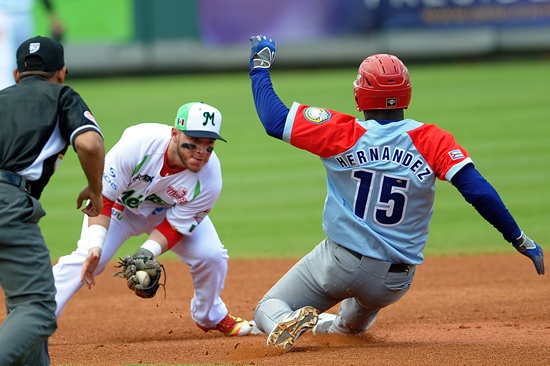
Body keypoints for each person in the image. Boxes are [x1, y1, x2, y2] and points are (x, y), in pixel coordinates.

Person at [247, 35, 545, 351]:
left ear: (359, 95)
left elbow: (273, 120)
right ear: (407, 94)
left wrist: (260, 65)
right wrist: (517, 237)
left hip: (340, 264)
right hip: (393, 282)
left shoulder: (342, 132)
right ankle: (340, 326)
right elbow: (478, 191)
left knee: (270, 303)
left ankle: (284, 321)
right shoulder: (432, 139)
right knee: (351, 323)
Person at [52, 102, 255, 337]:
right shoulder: (139, 143)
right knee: (87, 259)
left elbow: (176, 226)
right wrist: (96, 245)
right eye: (194, 141)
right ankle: (37, 317)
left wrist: (145, 253)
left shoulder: (210, 178)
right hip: (120, 209)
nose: (201, 151)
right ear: (175, 134)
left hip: (167, 214)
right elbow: (103, 199)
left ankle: (210, 316)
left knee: (212, 255)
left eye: (209, 144)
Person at [0, 35, 104, 365]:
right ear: (62, 72)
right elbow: (89, 144)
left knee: (21, 304)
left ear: (17, 75)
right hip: (8, 202)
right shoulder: (62, 96)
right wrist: (95, 189)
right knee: (39, 309)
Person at [0, 0, 64, 90]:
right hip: (4, 15)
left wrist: (53, 16)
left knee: (25, 54)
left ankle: (24, 88)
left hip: (25, 15)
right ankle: (5, 90)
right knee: (5, 57)